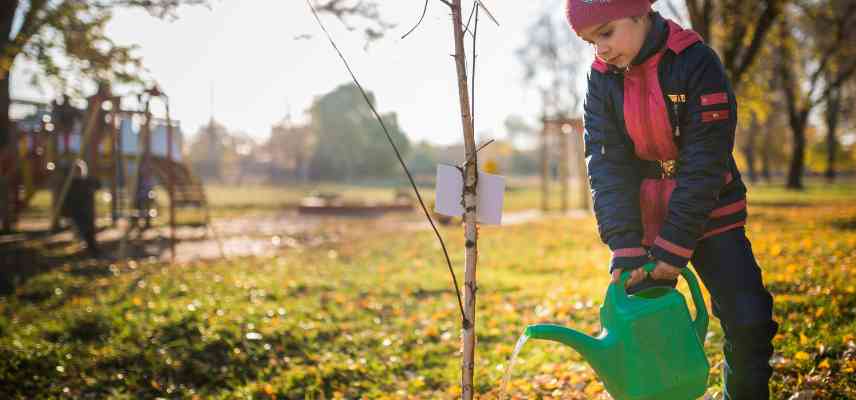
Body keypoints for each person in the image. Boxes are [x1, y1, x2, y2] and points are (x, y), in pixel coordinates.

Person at [565, 1, 778, 398]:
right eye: (591, 42)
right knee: (647, 335)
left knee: (749, 319)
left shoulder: (696, 61)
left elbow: (705, 162)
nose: (602, 50)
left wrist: (674, 248)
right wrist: (625, 245)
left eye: (607, 32)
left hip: (712, 210)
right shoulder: (601, 79)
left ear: (640, 12)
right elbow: (607, 163)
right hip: (643, 221)